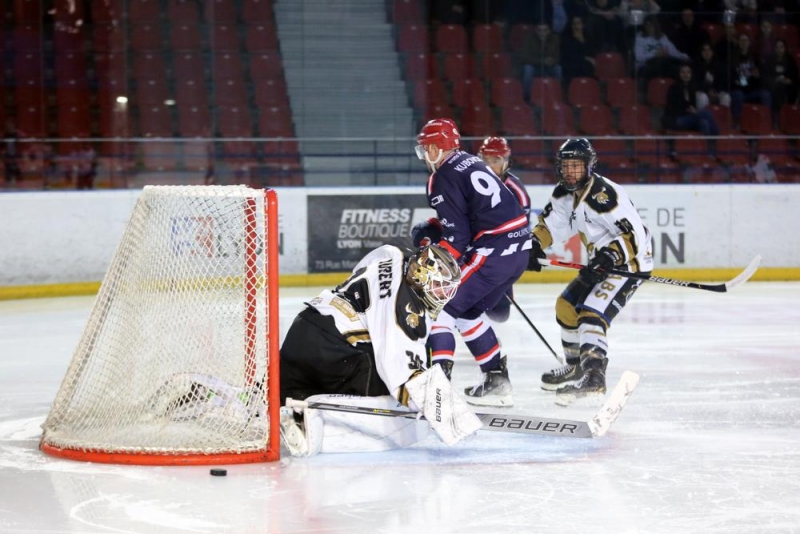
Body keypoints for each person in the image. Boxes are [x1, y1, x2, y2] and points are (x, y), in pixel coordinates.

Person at [279, 243, 481, 456]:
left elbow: (370, 262)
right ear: (421, 277)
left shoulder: (394, 256)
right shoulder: (407, 311)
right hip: (335, 350)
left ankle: (278, 404)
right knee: (400, 415)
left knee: (289, 394)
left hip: (303, 330)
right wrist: (446, 414)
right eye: (440, 286)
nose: (444, 295)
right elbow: (402, 373)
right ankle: (306, 421)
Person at [413, 119, 533, 407]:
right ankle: (497, 381)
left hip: (492, 253)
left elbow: (456, 237)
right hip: (517, 251)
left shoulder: (442, 176)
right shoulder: (468, 160)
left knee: (438, 309)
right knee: (466, 313)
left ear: (434, 146)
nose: (423, 155)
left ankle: (437, 390)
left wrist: (431, 265)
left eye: (425, 148)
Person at [526, 138, 653, 405]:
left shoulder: (603, 196)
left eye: (577, 165)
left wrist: (610, 255)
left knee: (591, 313)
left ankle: (595, 378)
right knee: (566, 306)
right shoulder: (563, 194)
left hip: (629, 264)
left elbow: (636, 235)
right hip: (601, 262)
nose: (571, 171)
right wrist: (534, 245)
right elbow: (551, 225)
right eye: (567, 165)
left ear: (589, 166)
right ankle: (576, 367)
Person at [662, 63, 720, 135]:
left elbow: (702, 87)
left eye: (688, 72)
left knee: (704, 123)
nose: (686, 75)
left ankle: (709, 145)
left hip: (689, 118)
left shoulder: (691, 88)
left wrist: (693, 111)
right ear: (679, 74)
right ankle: (717, 135)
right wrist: (689, 110)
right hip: (676, 119)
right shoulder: (673, 88)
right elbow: (673, 108)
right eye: (683, 72)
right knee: (706, 113)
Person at [520, 22, 562, 103]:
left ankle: (557, 94)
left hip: (549, 67)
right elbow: (525, 58)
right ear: (536, 31)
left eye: (545, 30)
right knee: (528, 69)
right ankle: (527, 97)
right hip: (535, 67)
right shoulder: (529, 39)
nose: (542, 33)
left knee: (558, 68)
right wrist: (542, 61)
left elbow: (558, 57)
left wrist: (552, 61)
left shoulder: (555, 39)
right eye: (539, 30)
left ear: (549, 31)